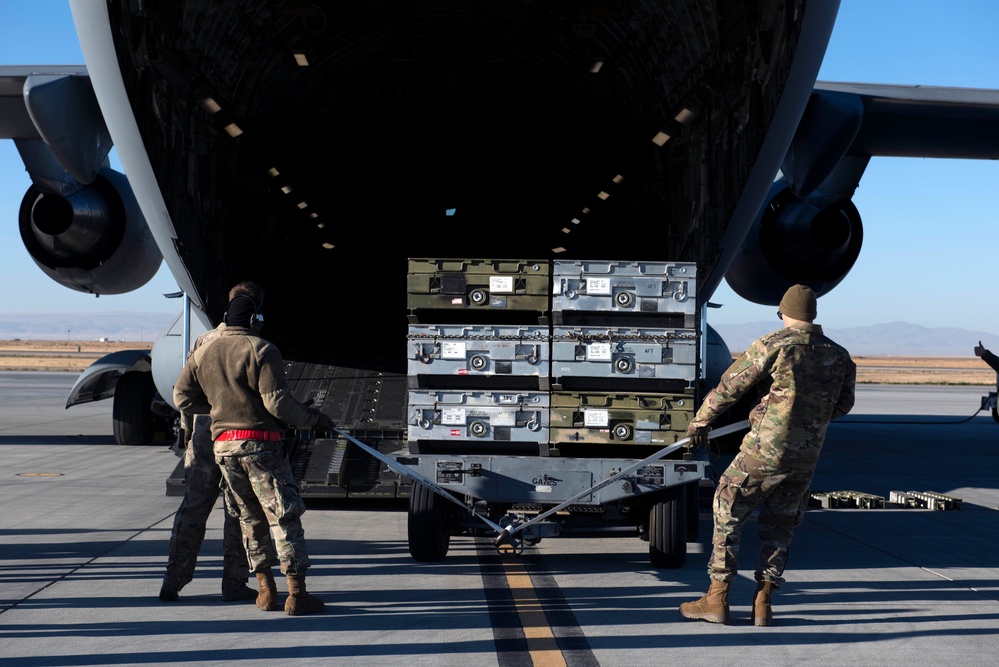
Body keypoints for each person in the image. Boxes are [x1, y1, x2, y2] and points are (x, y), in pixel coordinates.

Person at [679, 284, 856, 626]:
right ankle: (763, 602)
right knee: (780, 525)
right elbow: (843, 406)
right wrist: (806, 417)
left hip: (764, 451)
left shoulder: (774, 344)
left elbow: (731, 387)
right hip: (805, 459)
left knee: (727, 505)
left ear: (784, 312)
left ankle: (716, 598)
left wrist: (700, 422)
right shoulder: (839, 354)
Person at [173, 282, 335, 616]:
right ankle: (296, 594)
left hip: (223, 447)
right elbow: (277, 403)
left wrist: (218, 407)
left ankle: (265, 592)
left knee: (248, 520)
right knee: (282, 517)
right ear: (256, 317)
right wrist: (314, 419)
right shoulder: (261, 348)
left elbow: (182, 396)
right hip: (260, 445)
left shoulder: (205, 348)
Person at [159, 282, 263, 603]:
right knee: (237, 511)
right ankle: (233, 583)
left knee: (192, 508)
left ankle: (172, 580)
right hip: (233, 436)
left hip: (203, 436)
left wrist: (188, 434)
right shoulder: (251, 344)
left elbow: (183, 393)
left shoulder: (204, 340)